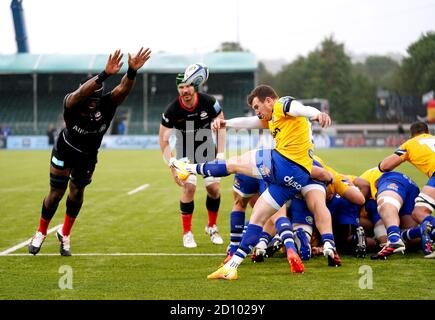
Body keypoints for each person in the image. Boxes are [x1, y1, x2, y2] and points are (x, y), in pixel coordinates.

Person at [172, 85, 334, 279]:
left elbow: (299, 107)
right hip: (296, 177)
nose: (257, 112)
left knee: (234, 164)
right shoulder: (274, 118)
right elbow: (250, 122)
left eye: (258, 107)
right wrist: (226, 123)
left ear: (269, 101)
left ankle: (187, 168)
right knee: (257, 217)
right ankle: (232, 267)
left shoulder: (281, 104)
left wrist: (317, 114)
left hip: (284, 163)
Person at [28, 47, 152, 256]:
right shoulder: (72, 103)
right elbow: (79, 94)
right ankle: (41, 231)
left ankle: (65, 235)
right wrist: (104, 75)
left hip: (87, 157)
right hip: (65, 150)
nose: (93, 104)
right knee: (56, 193)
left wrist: (131, 72)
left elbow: (122, 89)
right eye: (90, 99)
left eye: (96, 100)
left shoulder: (106, 104)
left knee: (77, 192)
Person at [159, 72, 226, 248]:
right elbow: (163, 140)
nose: (185, 90)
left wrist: (220, 154)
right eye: (181, 87)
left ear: (194, 85)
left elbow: (222, 124)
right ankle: (187, 233)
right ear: (178, 90)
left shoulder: (209, 102)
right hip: (184, 152)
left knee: (214, 189)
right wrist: (172, 166)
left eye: (188, 86)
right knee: (189, 188)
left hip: (208, 150)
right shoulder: (172, 110)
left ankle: (212, 227)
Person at [378, 121, 435, 258]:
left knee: (419, 213)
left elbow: (384, 166)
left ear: (412, 134)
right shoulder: (432, 138)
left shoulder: (409, 144)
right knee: (421, 211)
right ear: (427, 132)